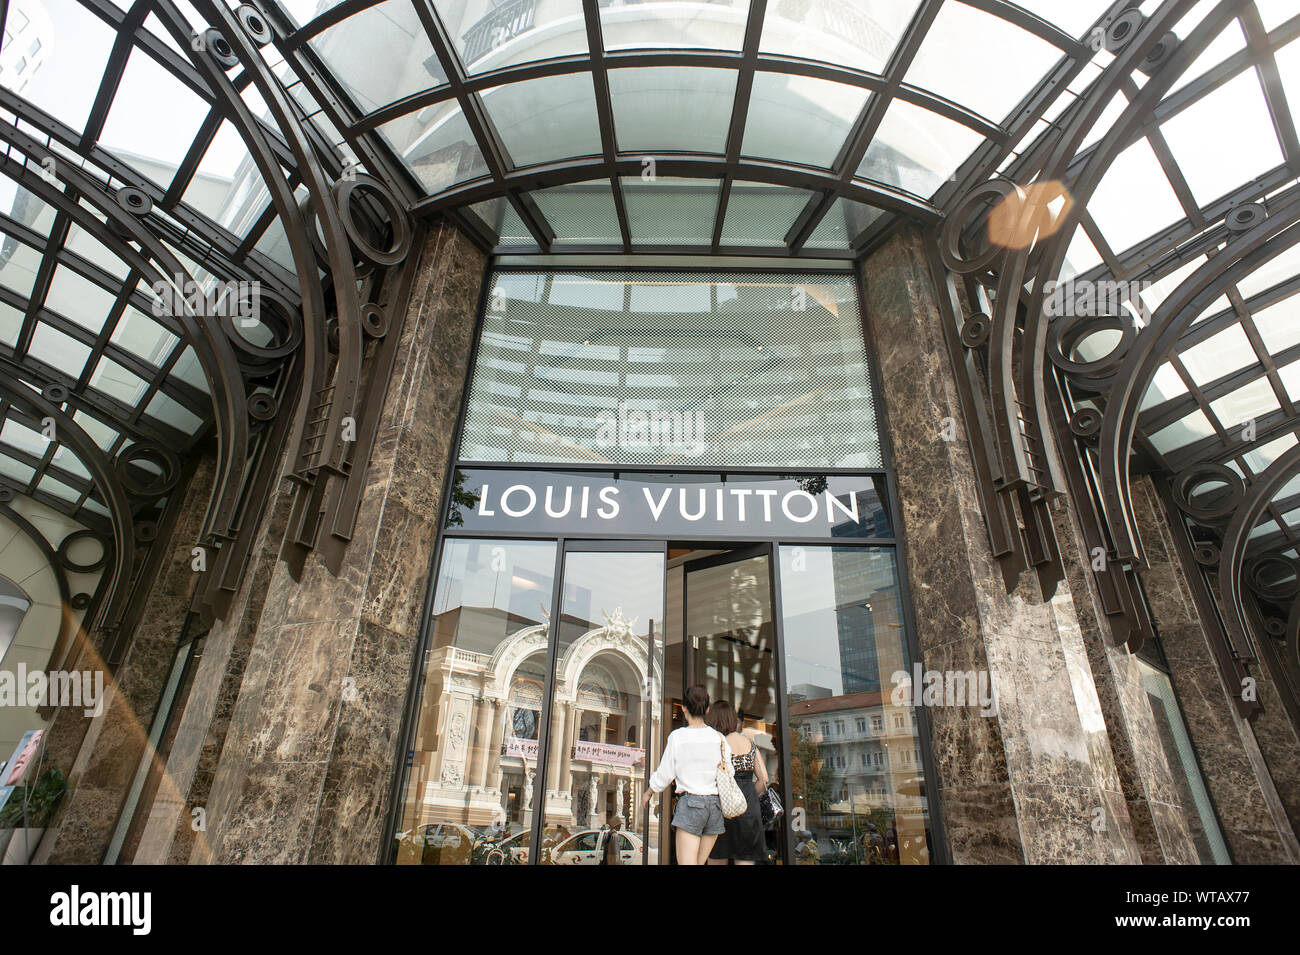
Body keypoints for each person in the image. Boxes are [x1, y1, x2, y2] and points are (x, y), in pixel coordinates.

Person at [642, 684, 733, 865]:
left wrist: (649, 792)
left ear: (683, 707)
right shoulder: (719, 738)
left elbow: (665, 772)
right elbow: (729, 771)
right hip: (715, 807)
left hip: (691, 804)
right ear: (707, 709)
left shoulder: (678, 737)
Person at [704, 700, 768, 865]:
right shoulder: (750, 745)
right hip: (748, 810)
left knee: (717, 858)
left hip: (722, 811)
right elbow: (764, 779)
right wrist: (749, 795)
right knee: (745, 860)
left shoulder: (717, 745)